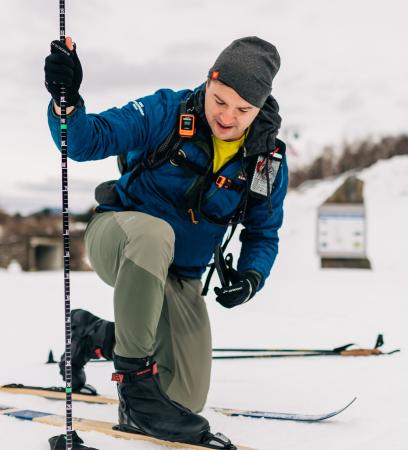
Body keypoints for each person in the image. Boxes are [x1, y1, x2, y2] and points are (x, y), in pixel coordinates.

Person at [44, 36, 287, 446]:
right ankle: (136, 385)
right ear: (209, 82)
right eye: (220, 100)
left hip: (181, 274)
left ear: (261, 108)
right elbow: (86, 140)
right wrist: (65, 103)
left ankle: (90, 333)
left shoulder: (264, 162)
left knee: (185, 399)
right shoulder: (166, 111)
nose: (228, 117)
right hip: (120, 239)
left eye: (243, 110)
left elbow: (263, 232)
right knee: (156, 234)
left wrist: (250, 276)